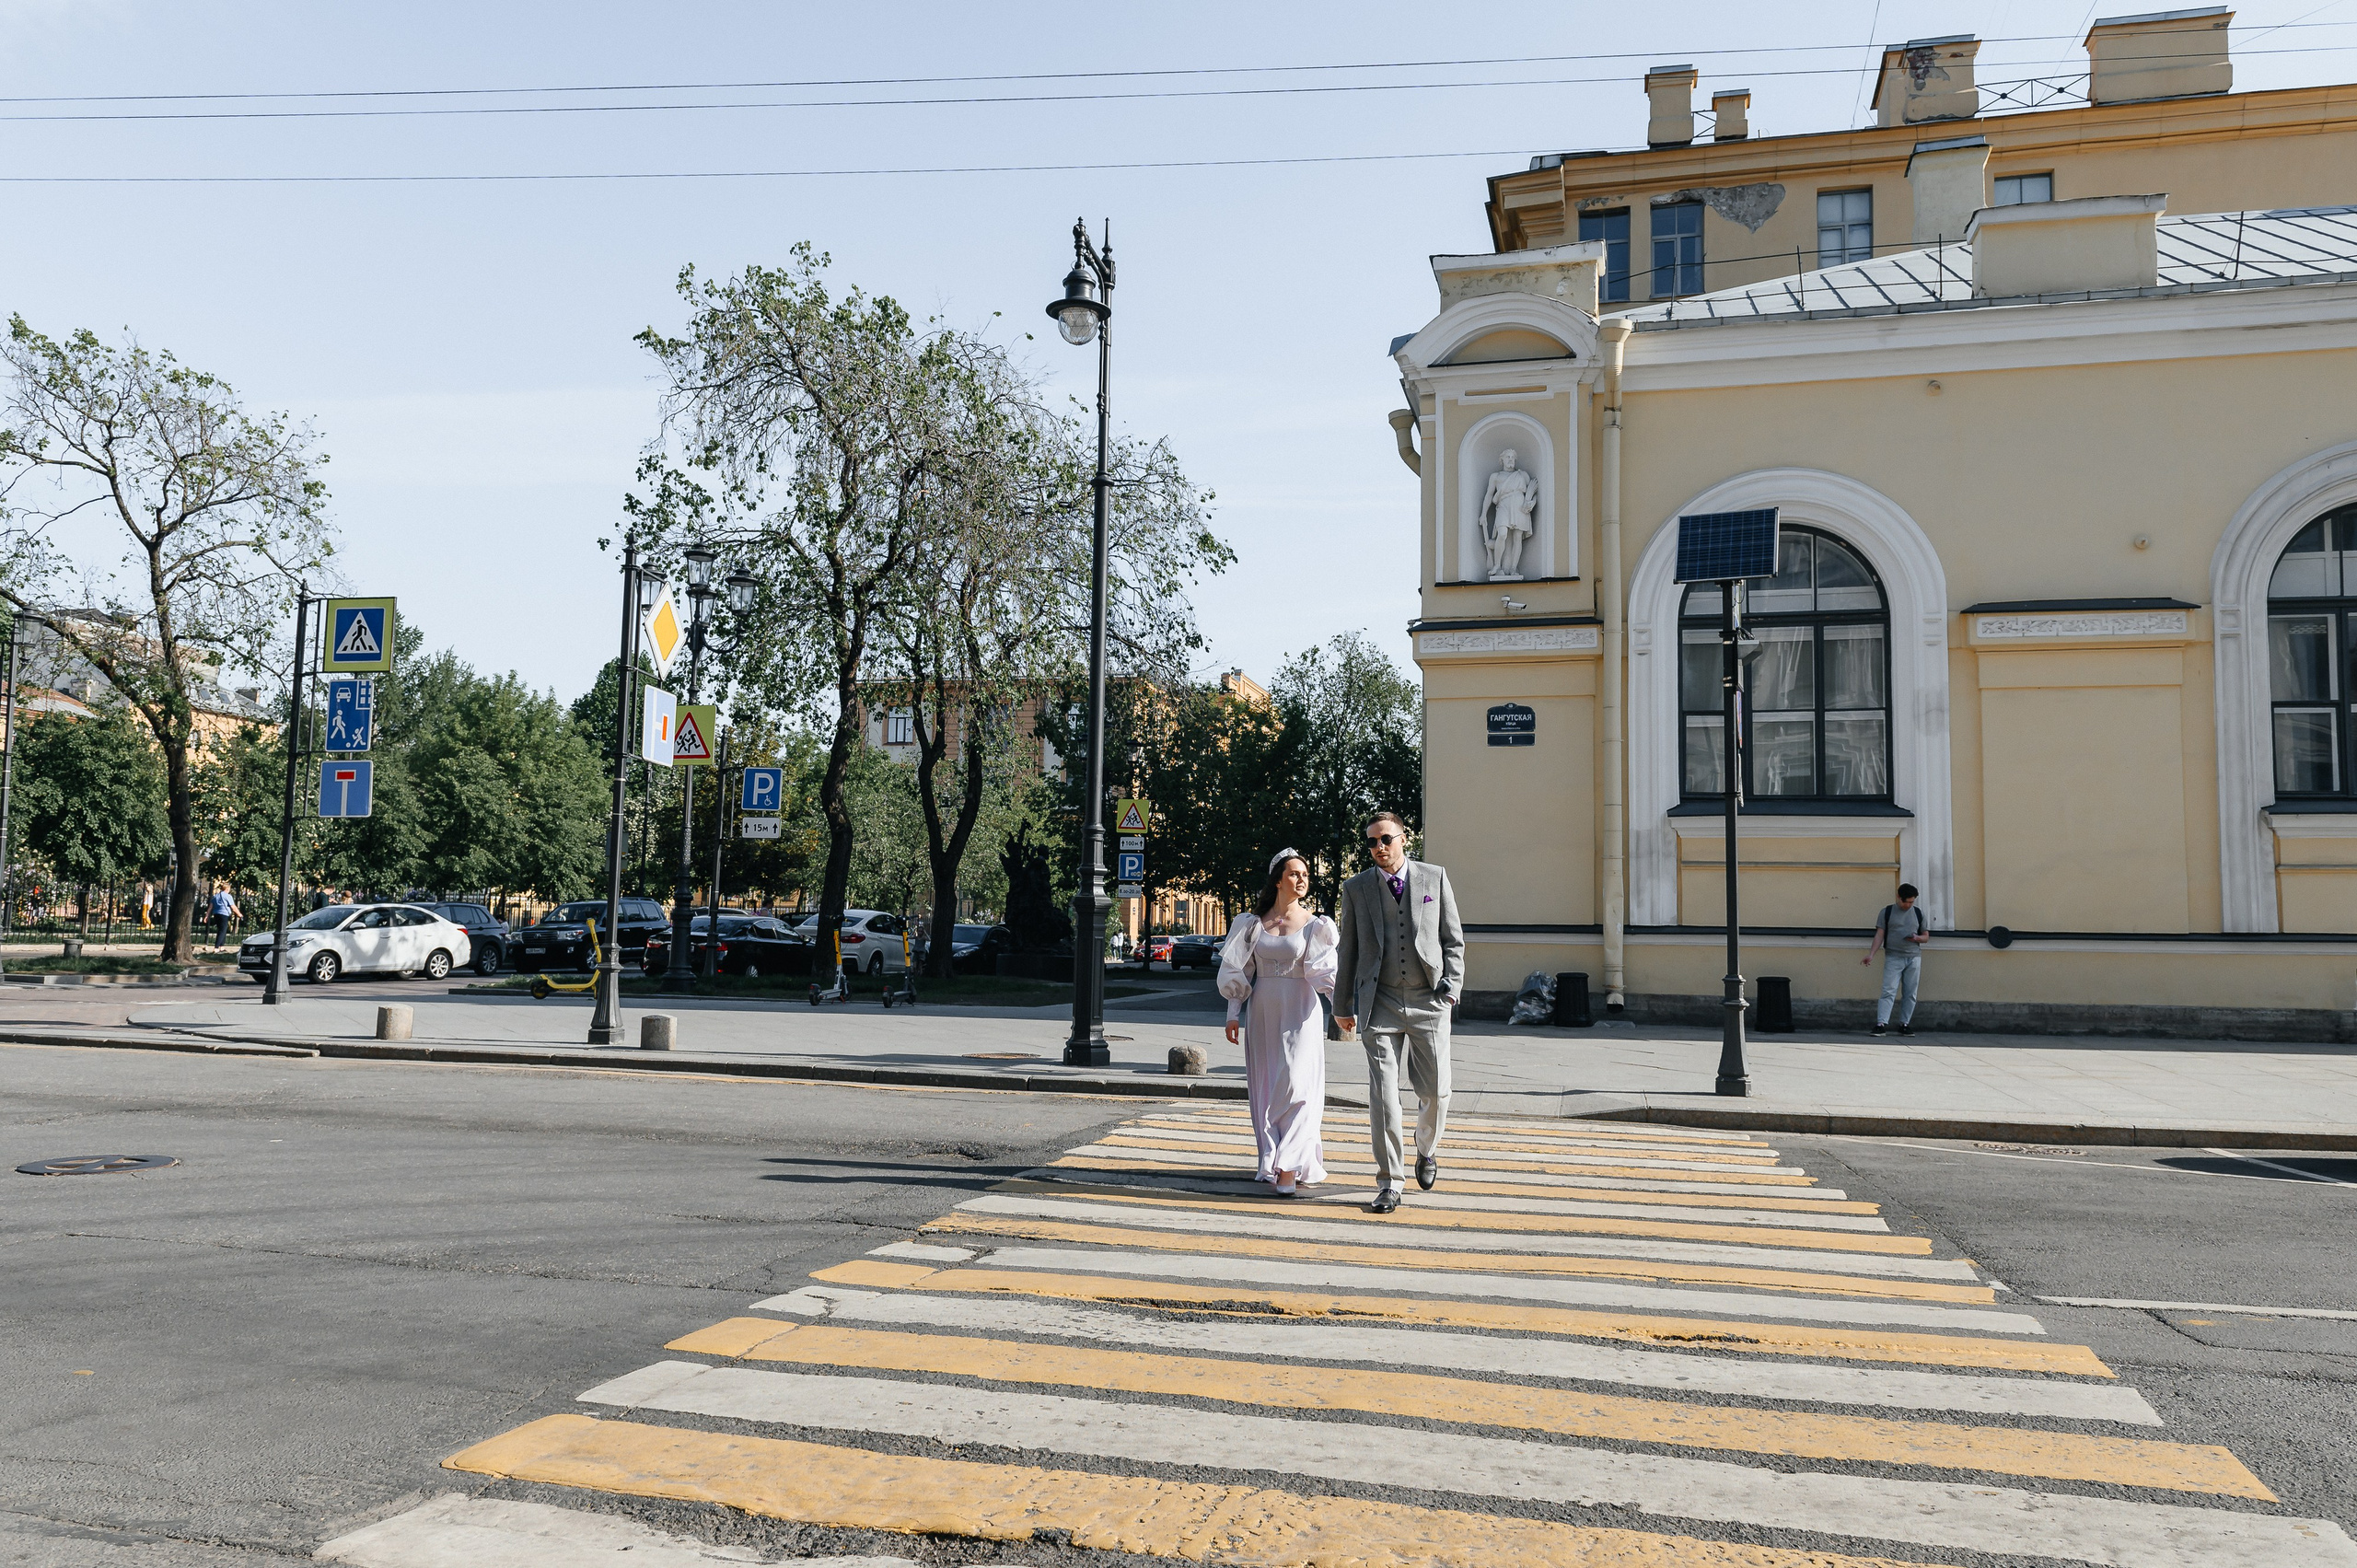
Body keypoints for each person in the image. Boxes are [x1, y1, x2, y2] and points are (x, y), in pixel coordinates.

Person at [1333, 810, 1465, 1214]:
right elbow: (1349, 950)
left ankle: (1426, 1148)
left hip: (1429, 1000)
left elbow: (1453, 940)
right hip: (1381, 1003)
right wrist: (1341, 1006)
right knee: (1385, 1097)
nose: (1379, 848)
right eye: (1372, 842)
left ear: (1404, 838)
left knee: (1436, 1092)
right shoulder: (1355, 889)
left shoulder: (1434, 877)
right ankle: (1390, 1181)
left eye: (1386, 839)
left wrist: (1452, 990)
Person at [1218, 849, 1337, 1198]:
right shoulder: (1251, 924)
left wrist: (1342, 1009)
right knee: (1269, 1089)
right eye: (1295, 874)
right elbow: (1239, 971)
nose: (1302, 880)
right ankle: (1272, 1158)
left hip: (1301, 1012)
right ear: (1277, 880)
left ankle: (1289, 1167)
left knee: (1298, 1087)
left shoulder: (1317, 925)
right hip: (1263, 1011)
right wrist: (1231, 1014)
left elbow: (1325, 973)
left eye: (1305, 874)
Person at [1863, 882, 1930, 1037]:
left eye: (1911, 902)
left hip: (1913, 957)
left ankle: (1904, 1024)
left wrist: (1916, 938)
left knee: (1910, 993)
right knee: (1888, 990)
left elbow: (1926, 937)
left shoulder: (1918, 913)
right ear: (1898, 897)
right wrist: (1871, 954)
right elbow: (1880, 934)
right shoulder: (1887, 912)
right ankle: (1881, 1024)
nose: (1908, 905)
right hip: (1893, 956)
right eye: (1906, 901)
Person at [208, 885, 240, 951]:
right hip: (224, 914)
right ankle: (216, 948)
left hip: (216, 914)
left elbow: (210, 907)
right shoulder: (228, 896)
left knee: (221, 929)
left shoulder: (215, 896)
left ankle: (222, 946)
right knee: (222, 931)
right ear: (227, 889)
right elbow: (233, 907)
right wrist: (240, 914)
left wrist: (207, 916)